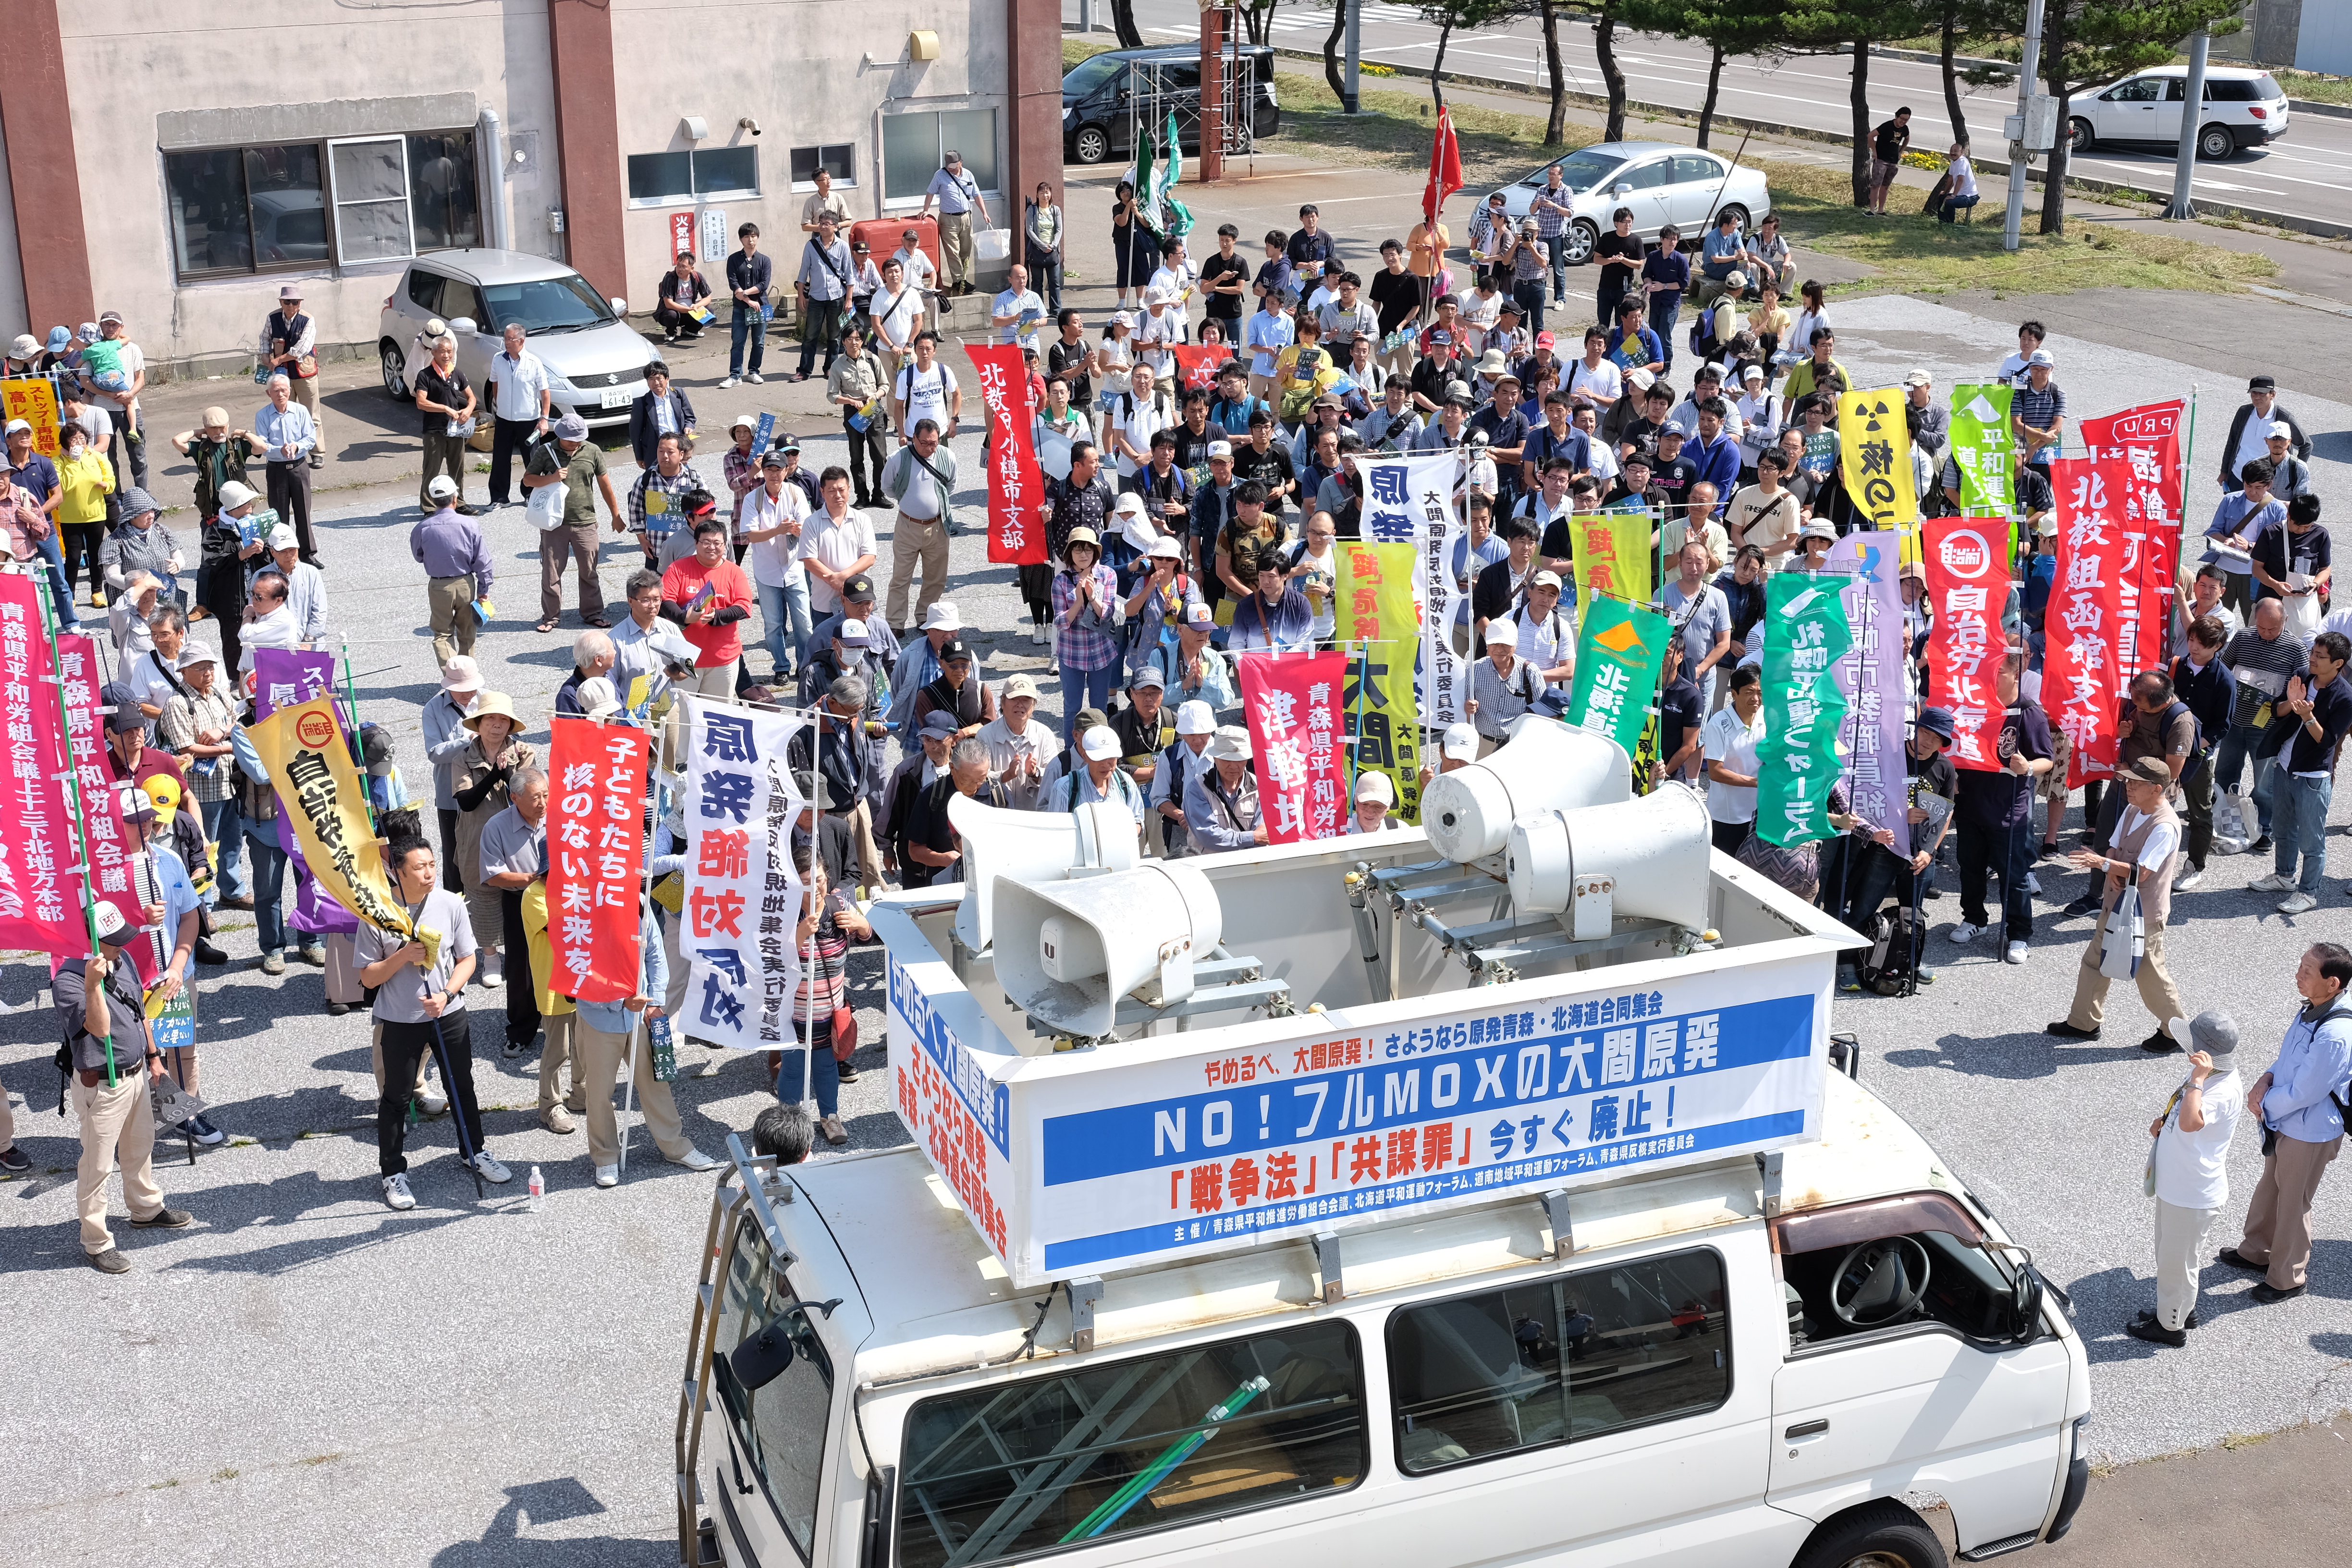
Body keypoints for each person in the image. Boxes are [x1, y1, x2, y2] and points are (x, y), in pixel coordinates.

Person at [358, 838, 510, 1209]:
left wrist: (447, 994)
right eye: (419, 867)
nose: (429, 873)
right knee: (396, 1096)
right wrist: (401, 956)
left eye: (432, 865)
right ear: (398, 871)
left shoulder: (450, 903)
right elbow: (367, 978)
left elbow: (467, 959)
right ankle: (393, 1172)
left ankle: (474, 1151)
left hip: (449, 1012)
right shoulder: (377, 913)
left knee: (462, 1086)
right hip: (399, 1019)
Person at [58, 899, 193, 1270]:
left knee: (140, 1149)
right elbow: (99, 1029)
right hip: (102, 1085)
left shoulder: (124, 959)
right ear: (90, 941)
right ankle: (97, 1240)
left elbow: (139, 1012)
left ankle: (145, 1208)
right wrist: (93, 985)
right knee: (97, 1167)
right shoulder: (69, 981)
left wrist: (155, 1059)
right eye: (113, 941)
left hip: (135, 1074)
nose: (122, 946)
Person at [2219, 943, 2352, 1304]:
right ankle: (2257, 1251)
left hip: (2309, 1130)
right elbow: (2288, 1061)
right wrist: (2264, 1080)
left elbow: (2308, 1090)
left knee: (2294, 1202)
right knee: (2272, 1188)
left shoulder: (2336, 1032)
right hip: (2289, 1120)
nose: (2298, 973)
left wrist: (2266, 1106)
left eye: (2307, 970)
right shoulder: (2313, 1009)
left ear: (2332, 983)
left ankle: (2288, 1277)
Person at [567, 885, 722, 1183]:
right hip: (600, 1017)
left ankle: (676, 1147)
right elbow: (580, 969)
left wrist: (656, 1001)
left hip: (641, 1013)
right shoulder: (582, 906)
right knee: (600, 1092)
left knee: (655, 1083)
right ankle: (605, 1155)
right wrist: (620, 1000)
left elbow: (655, 952)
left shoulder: (637, 901)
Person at [2048, 757, 2191, 1051]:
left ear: (2156, 789)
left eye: (2136, 783)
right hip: (2116, 905)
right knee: (2094, 963)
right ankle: (2083, 1022)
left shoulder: (2165, 826)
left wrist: (2105, 865)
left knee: (2150, 973)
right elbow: (2115, 845)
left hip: (2144, 913)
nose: (2127, 786)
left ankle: (2176, 1030)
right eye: (2127, 779)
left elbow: (2143, 872)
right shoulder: (2133, 809)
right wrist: (2112, 865)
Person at [2126, 1010, 2244, 1348]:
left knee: (2179, 1263)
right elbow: (2185, 1118)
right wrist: (2164, 1125)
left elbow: (2193, 1122)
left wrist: (2197, 1078)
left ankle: (2171, 1326)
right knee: (2170, 1256)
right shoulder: (2209, 1078)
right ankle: (2180, 1309)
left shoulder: (2218, 1087)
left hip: (2192, 1194)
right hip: (2178, 1185)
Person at [1951, 652, 2054, 965]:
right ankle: (1975, 920)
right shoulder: (1975, 706)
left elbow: (2046, 759)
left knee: (2014, 875)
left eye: (1998, 674)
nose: (1990, 680)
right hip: (1971, 803)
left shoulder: (2028, 712)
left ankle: (2019, 934)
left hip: (2009, 809)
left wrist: (2027, 766)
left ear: (2015, 674)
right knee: (1970, 868)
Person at [2247, 630, 2351, 915]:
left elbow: (2328, 741)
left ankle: (2309, 893)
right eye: (2313, 653)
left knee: (2312, 840)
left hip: (2313, 777)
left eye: (2320, 656)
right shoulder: (2304, 677)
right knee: (2283, 829)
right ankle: (2284, 876)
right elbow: (2275, 710)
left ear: (2338, 664)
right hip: (2284, 766)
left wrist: (2307, 716)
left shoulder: (2346, 698)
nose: (2313, 659)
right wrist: (2291, 704)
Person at [452, 691, 538, 989]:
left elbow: (528, 794)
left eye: (504, 720)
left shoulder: (523, 752)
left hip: (518, 836)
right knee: (483, 894)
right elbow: (466, 802)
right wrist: (494, 775)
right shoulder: (464, 757)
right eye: (491, 718)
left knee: (523, 891)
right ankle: (490, 957)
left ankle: (525, 950)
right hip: (476, 835)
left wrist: (510, 771)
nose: (497, 725)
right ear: (479, 723)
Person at [2211, 601, 2308, 852]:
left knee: (2265, 782)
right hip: (2234, 721)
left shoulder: (2296, 649)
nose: (2265, 633)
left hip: (2268, 727)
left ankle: (2263, 827)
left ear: (2284, 622)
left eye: (2272, 629)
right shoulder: (2243, 637)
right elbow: (2223, 667)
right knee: (2225, 772)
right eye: (2261, 627)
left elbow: (2301, 688)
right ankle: (2221, 817)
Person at [519, 412, 619, 633]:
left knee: (590, 571)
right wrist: (551, 478)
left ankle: (593, 613)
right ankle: (551, 617)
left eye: (578, 438)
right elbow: (527, 480)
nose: (575, 442)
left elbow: (605, 484)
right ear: (560, 435)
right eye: (570, 438)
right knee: (551, 573)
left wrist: (615, 514)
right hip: (554, 524)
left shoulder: (592, 451)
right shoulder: (546, 451)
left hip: (586, 521)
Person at [477, 765, 550, 1063]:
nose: (543, 803)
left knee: (567, 958)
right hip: (521, 900)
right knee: (522, 969)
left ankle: (564, 1026)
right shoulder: (496, 826)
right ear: (514, 798)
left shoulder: (561, 816)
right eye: (535, 798)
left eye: (546, 795)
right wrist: (534, 879)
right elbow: (493, 875)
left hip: (564, 898)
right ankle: (521, 1031)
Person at [878, 417, 958, 633]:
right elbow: (887, 487)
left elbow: (950, 484)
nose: (930, 448)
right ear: (914, 439)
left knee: (936, 577)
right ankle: (895, 623)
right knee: (901, 578)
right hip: (908, 525)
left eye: (934, 443)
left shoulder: (947, 457)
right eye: (925, 443)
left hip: (938, 526)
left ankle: (925, 617)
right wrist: (910, 502)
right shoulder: (898, 458)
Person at [411, 475, 492, 667]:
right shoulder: (470, 525)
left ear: (433, 500)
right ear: (455, 499)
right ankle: (467, 676)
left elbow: (418, 555)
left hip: (439, 585)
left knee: (442, 633)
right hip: (466, 583)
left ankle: (452, 678)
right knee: (467, 631)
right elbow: (483, 561)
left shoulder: (422, 528)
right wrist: (484, 588)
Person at [252, 372, 320, 565]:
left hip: (299, 467)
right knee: (279, 515)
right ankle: (278, 556)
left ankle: (307, 555)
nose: (281, 394)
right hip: (276, 470)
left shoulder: (300, 411)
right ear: (268, 393)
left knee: (303, 513)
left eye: (284, 390)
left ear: (290, 391)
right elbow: (262, 445)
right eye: (276, 391)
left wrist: (297, 446)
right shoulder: (263, 415)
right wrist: (279, 450)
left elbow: (310, 437)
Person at [1701, 665, 1767, 852]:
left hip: (1757, 814)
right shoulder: (1719, 724)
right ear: (1734, 694)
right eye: (1749, 692)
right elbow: (1716, 772)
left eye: (1760, 692)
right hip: (1727, 816)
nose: (1756, 699)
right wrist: (1757, 783)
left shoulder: (1765, 718)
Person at [412, 334, 479, 515]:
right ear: (434, 353)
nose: (447, 355)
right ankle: (428, 507)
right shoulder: (425, 375)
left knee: (457, 467)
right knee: (431, 469)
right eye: (442, 352)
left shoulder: (457, 373)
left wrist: (468, 410)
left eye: (450, 352)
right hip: (434, 430)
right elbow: (421, 402)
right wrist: (445, 408)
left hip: (456, 430)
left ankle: (459, 502)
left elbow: (471, 397)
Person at [828, 325, 890, 508]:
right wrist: (849, 401)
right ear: (843, 341)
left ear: (862, 341)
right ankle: (862, 495)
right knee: (857, 456)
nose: (853, 343)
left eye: (857, 339)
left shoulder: (872, 359)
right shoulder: (837, 365)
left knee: (880, 455)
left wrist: (875, 396)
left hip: (873, 408)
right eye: (849, 339)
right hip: (853, 410)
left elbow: (885, 385)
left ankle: (879, 494)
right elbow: (832, 395)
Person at [2215, 375, 2312, 493]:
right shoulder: (2244, 413)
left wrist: (2293, 470)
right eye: (2254, 393)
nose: (2257, 397)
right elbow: (2232, 443)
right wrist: (2224, 471)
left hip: (2265, 483)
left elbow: (2306, 445)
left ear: (2273, 395)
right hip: (2237, 477)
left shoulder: (2283, 417)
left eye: (2262, 394)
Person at [793, 212, 854, 383]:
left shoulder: (843, 246)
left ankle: (830, 368)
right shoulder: (811, 246)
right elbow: (803, 272)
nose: (823, 226)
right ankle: (804, 370)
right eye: (821, 223)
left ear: (836, 227)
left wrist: (849, 299)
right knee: (810, 335)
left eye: (827, 223)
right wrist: (800, 296)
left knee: (835, 336)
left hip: (837, 297)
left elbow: (850, 275)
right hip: (816, 297)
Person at [1186, 725, 1267, 851]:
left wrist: (1253, 838)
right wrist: (1251, 837)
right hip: (1209, 866)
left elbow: (1262, 836)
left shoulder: (1259, 786)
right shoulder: (1198, 788)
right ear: (1215, 758)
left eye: (1240, 759)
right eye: (1227, 759)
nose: (1234, 766)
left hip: (1249, 865)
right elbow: (1209, 837)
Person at [921, 149, 989, 295]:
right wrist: (926, 210)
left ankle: (962, 281)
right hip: (948, 218)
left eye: (954, 166)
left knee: (966, 250)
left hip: (966, 217)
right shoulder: (940, 175)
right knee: (953, 251)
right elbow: (930, 192)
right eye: (949, 166)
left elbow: (976, 194)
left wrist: (984, 213)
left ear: (961, 162)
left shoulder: (969, 174)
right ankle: (959, 281)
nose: (951, 169)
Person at [654, 250, 713, 344]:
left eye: (683, 267)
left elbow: (708, 298)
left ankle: (690, 331)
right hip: (673, 313)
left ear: (692, 268)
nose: (679, 269)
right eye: (678, 265)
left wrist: (697, 306)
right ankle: (671, 333)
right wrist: (687, 310)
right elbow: (668, 303)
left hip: (691, 312)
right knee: (671, 315)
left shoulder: (698, 277)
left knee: (709, 310)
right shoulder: (670, 278)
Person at [1869, 106, 1912, 215]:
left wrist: (1901, 151)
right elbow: (1870, 136)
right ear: (1897, 116)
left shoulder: (1905, 129)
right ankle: (1872, 210)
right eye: (1902, 118)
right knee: (1876, 185)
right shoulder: (1887, 126)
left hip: (1893, 161)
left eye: (1906, 120)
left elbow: (1907, 138)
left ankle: (1881, 210)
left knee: (1886, 186)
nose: (1903, 121)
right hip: (1881, 160)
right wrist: (1874, 151)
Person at [1936, 142, 1980, 224]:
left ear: (1962, 152)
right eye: (1951, 151)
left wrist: (1953, 195)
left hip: (1970, 197)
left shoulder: (1962, 162)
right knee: (1942, 197)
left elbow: (1960, 180)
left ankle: (1949, 224)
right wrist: (1945, 192)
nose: (1953, 153)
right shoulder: (1954, 162)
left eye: (1955, 151)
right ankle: (1942, 222)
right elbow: (1951, 179)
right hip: (1961, 194)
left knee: (1950, 203)